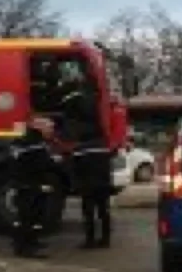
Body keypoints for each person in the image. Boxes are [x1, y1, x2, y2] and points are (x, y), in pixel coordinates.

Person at [57, 78, 114, 249]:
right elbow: (108, 166)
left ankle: (90, 240)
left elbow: (75, 168)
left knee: (88, 212)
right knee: (104, 211)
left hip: (88, 185)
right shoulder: (103, 146)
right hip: (102, 184)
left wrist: (75, 183)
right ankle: (105, 240)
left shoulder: (80, 149)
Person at [9, 117, 62, 258]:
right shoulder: (36, 144)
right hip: (31, 184)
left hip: (24, 183)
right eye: (50, 128)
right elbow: (41, 164)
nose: (52, 131)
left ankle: (29, 242)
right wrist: (55, 162)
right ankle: (25, 248)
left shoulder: (23, 141)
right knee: (29, 216)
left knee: (28, 216)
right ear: (40, 128)